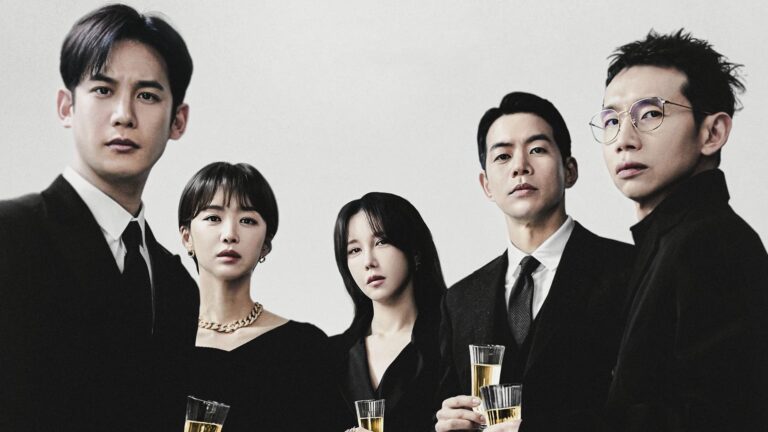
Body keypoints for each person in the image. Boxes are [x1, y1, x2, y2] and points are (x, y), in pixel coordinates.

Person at [0, 4, 197, 431]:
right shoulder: (11, 235)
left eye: (147, 95)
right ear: (66, 106)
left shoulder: (178, 287)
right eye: (103, 90)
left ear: (178, 120)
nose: (124, 114)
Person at [592, 29, 768, 431]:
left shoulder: (712, 243)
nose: (623, 139)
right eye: (611, 120)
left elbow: (721, 418)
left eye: (650, 114)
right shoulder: (668, 242)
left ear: (713, 133)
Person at [435, 92, 635, 432]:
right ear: (486, 185)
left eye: (537, 149)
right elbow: (446, 408)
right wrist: (445, 422)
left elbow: (652, 410)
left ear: (569, 170)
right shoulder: (459, 302)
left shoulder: (629, 271)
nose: (520, 166)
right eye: (502, 156)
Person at [179, 162, 342, 432]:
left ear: (266, 244)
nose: (230, 234)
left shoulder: (305, 348)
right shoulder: (156, 346)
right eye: (213, 218)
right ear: (187, 237)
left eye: (247, 220)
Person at [330, 192, 447, 432]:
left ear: (415, 252)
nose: (368, 261)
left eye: (381, 242)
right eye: (354, 250)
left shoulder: (450, 346)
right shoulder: (330, 356)